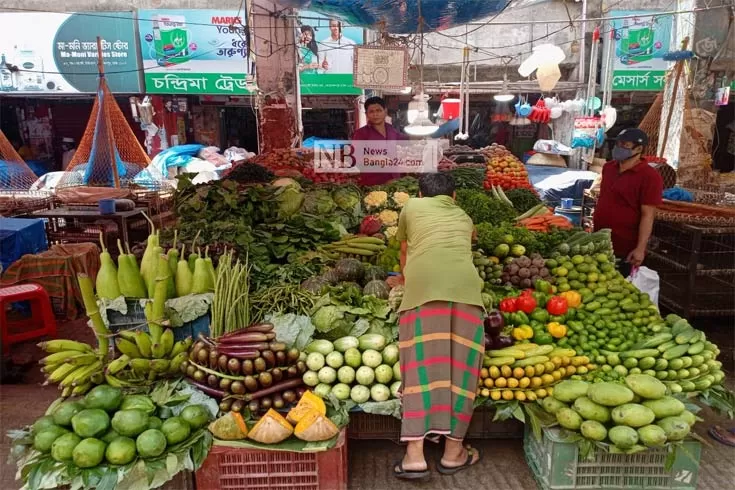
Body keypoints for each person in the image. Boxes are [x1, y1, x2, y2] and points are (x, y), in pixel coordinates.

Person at [393, 173, 484, 480]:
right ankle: (452, 453)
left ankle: (415, 457)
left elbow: (405, 251)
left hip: (423, 292)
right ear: (454, 197)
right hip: (467, 293)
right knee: (462, 373)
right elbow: (467, 242)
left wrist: (406, 280)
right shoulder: (464, 216)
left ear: (419, 194)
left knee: (419, 370)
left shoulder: (411, 207)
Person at [593, 128, 663, 277]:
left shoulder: (650, 177)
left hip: (625, 245)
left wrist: (640, 248)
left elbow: (648, 215)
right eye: (618, 143)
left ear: (639, 149)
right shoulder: (608, 168)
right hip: (599, 239)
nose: (618, 148)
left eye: (625, 145)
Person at [353, 96, 406, 186]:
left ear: (385, 111)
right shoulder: (361, 133)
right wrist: (375, 158)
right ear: (366, 114)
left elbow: (404, 140)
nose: (375, 115)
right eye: (371, 112)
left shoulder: (391, 129)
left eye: (378, 110)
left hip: (395, 182)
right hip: (373, 185)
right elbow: (355, 159)